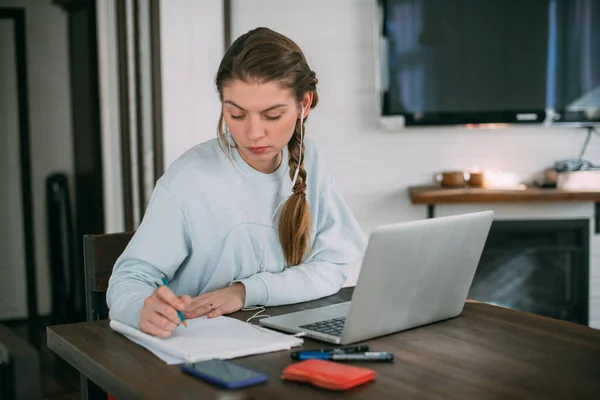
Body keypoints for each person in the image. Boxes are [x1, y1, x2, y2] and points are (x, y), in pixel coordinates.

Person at [106, 27, 367, 337]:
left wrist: (244, 291)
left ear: (304, 104)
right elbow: (128, 281)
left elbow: (333, 267)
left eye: (272, 115)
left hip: (284, 340)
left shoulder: (312, 163)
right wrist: (141, 310)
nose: (253, 133)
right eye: (237, 114)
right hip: (202, 346)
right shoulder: (189, 178)